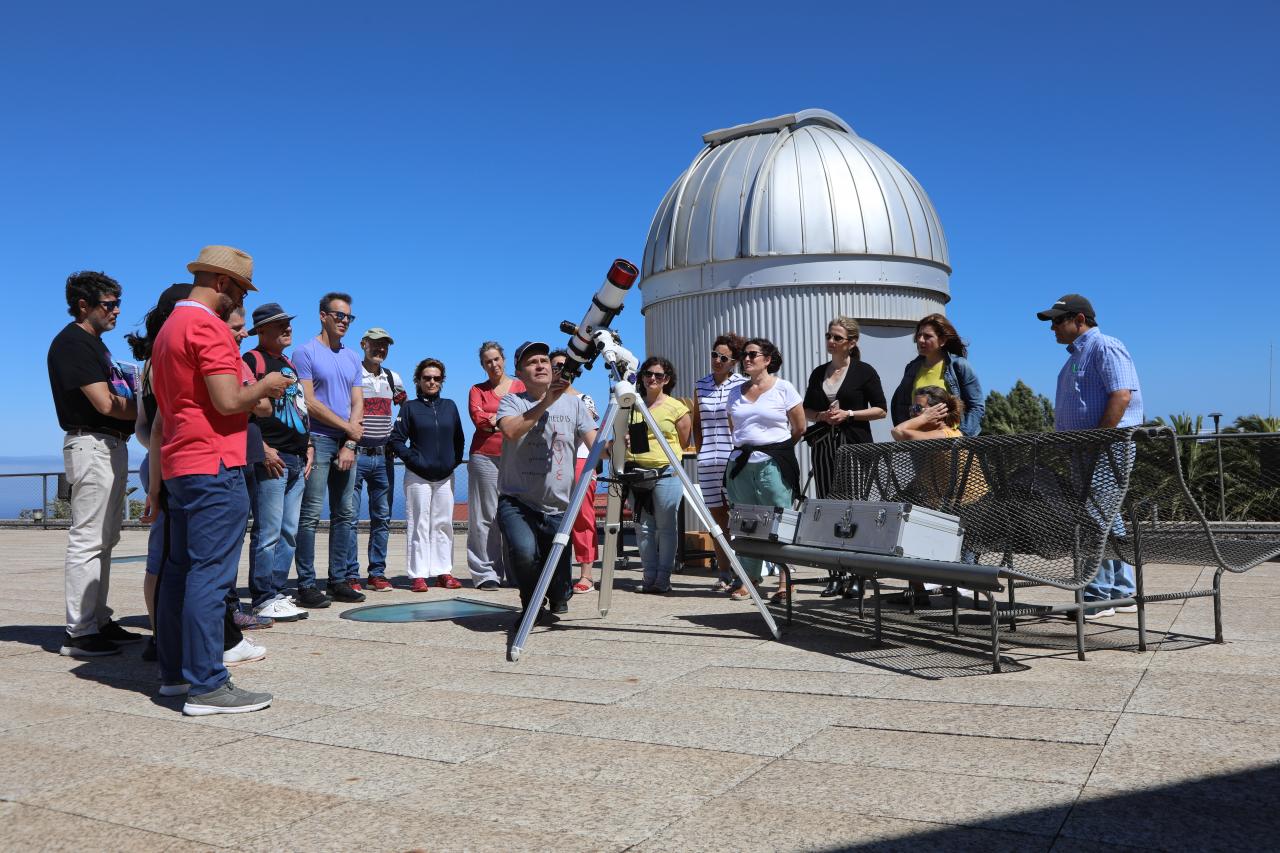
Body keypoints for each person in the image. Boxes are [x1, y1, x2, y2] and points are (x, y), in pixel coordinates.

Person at [151, 245, 290, 715]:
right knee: (210, 578)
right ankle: (208, 685)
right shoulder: (207, 326)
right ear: (223, 283)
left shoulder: (171, 325)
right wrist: (267, 387)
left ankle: (175, 673)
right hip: (215, 463)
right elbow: (230, 402)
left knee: (179, 573)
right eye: (240, 291)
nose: (239, 303)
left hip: (180, 461)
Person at [47, 270, 142, 657]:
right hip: (91, 443)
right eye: (109, 304)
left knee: (106, 540)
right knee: (88, 539)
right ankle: (80, 631)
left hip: (110, 444)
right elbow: (104, 403)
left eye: (118, 303)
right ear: (83, 305)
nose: (117, 311)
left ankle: (98, 619)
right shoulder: (72, 344)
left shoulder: (96, 345)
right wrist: (148, 411)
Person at [1038, 294, 1144, 618]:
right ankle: (1122, 591)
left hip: (1104, 448)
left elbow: (1121, 395)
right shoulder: (1076, 356)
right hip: (1088, 449)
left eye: (1058, 320)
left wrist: (1098, 439)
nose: (1053, 327)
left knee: (1094, 516)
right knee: (1106, 516)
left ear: (1080, 320)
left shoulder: (1105, 346)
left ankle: (1098, 596)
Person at [495, 341, 597, 624]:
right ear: (519, 371)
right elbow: (512, 431)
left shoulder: (575, 404)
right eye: (532, 362)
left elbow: (598, 446)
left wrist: (619, 438)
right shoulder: (512, 401)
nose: (541, 365)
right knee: (525, 552)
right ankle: (530, 603)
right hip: (517, 500)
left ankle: (558, 593)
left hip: (557, 506)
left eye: (544, 360)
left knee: (561, 590)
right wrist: (546, 403)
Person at [130, 283, 193, 662]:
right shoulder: (167, 359)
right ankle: (161, 635)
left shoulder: (150, 362)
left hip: (156, 461)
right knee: (167, 556)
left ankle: (161, 632)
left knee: (165, 553)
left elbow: (141, 426)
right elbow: (151, 426)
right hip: (170, 465)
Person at [803, 317, 887, 596]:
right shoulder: (818, 372)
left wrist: (849, 413)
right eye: (829, 335)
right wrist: (822, 416)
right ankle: (835, 574)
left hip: (854, 445)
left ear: (851, 343)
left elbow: (880, 410)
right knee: (828, 508)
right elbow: (806, 411)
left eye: (837, 337)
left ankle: (857, 575)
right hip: (825, 444)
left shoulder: (864, 371)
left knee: (854, 508)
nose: (831, 341)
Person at [293, 292, 365, 606]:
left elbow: (358, 401)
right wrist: (347, 428)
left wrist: (350, 440)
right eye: (339, 315)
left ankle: (338, 580)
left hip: (346, 443)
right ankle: (307, 584)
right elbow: (308, 401)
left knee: (345, 514)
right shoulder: (304, 352)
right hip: (318, 440)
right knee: (309, 515)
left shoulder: (352, 357)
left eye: (349, 317)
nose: (344, 322)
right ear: (323, 316)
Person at [243, 302, 312, 622]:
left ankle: (277, 591)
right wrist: (264, 448)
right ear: (261, 331)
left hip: (298, 457)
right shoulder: (253, 360)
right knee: (268, 531)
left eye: (288, 322)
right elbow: (244, 410)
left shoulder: (287, 363)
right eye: (279, 324)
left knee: (288, 531)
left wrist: (308, 444)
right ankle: (262, 595)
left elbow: (299, 407)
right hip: (274, 458)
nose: (288, 328)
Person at [724, 338, 806, 602]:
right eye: (743, 355)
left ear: (767, 359)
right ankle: (749, 579)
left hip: (773, 462)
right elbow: (734, 427)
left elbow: (800, 428)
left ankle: (785, 581)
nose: (746, 359)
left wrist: (777, 449)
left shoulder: (784, 388)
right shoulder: (735, 391)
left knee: (780, 521)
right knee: (745, 523)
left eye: (752, 355)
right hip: (741, 463)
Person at [389, 358, 465, 591]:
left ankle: (443, 572)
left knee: (443, 525)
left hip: (444, 476)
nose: (432, 382)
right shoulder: (409, 407)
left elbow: (459, 439)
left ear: (442, 381)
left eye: (436, 378)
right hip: (417, 476)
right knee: (419, 524)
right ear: (418, 381)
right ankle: (418, 575)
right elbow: (396, 440)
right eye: (427, 378)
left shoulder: (450, 406)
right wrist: (414, 460)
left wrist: (452, 462)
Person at [345, 328, 407, 591]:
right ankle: (349, 574)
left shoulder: (393, 378)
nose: (380, 349)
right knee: (348, 517)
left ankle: (376, 573)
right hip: (356, 455)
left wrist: (396, 439)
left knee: (381, 517)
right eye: (376, 344)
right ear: (364, 345)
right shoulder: (352, 374)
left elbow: (405, 411)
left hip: (383, 457)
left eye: (385, 346)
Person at [626, 356, 692, 594]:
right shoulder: (631, 404)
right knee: (643, 528)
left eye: (658, 375)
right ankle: (648, 576)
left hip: (666, 472)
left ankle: (663, 577)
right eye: (647, 374)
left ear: (667, 380)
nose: (652, 378)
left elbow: (684, 442)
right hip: (637, 474)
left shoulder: (677, 407)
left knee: (666, 527)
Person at [467, 341, 525, 590]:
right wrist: (507, 419)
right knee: (486, 516)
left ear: (504, 360)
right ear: (483, 365)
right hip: (484, 456)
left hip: (517, 456)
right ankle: (486, 573)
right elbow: (479, 421)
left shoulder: (520, 386)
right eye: (488, 361)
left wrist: (496, 419)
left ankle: (517, 571)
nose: (493, 364)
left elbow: (529, 413)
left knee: (515, 515)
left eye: (496, 359)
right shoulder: (477, 390)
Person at [694, 334, 747, 592]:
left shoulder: (741, 385)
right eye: (714, 355)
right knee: (717, 519)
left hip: (732, 458)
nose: (717, 360)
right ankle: (724, 572)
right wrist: (702, 450)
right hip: (708, 460)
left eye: (723, 357)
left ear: (733, 361)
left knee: (736, 517)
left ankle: (742, 573)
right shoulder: (701, 385)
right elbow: (697, 424)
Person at [550, 350, 601, 593]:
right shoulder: (543, 398)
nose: (561, 369)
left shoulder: (584, 399)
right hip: (550, 464)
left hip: (580, 462)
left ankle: (586, 574)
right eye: (557, 366)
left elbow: (587, 429)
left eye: (566, 366)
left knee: (583, 519)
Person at [890, 314, 984, 438]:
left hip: (949, 444)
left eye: (927, 336)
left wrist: (961, 436)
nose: (920, 340)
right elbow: (901, 404)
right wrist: (905, 435)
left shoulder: (959, 366)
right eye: (919, 335)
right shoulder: (912, 369)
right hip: (919, 444)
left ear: (942, 340)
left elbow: (976, 407)